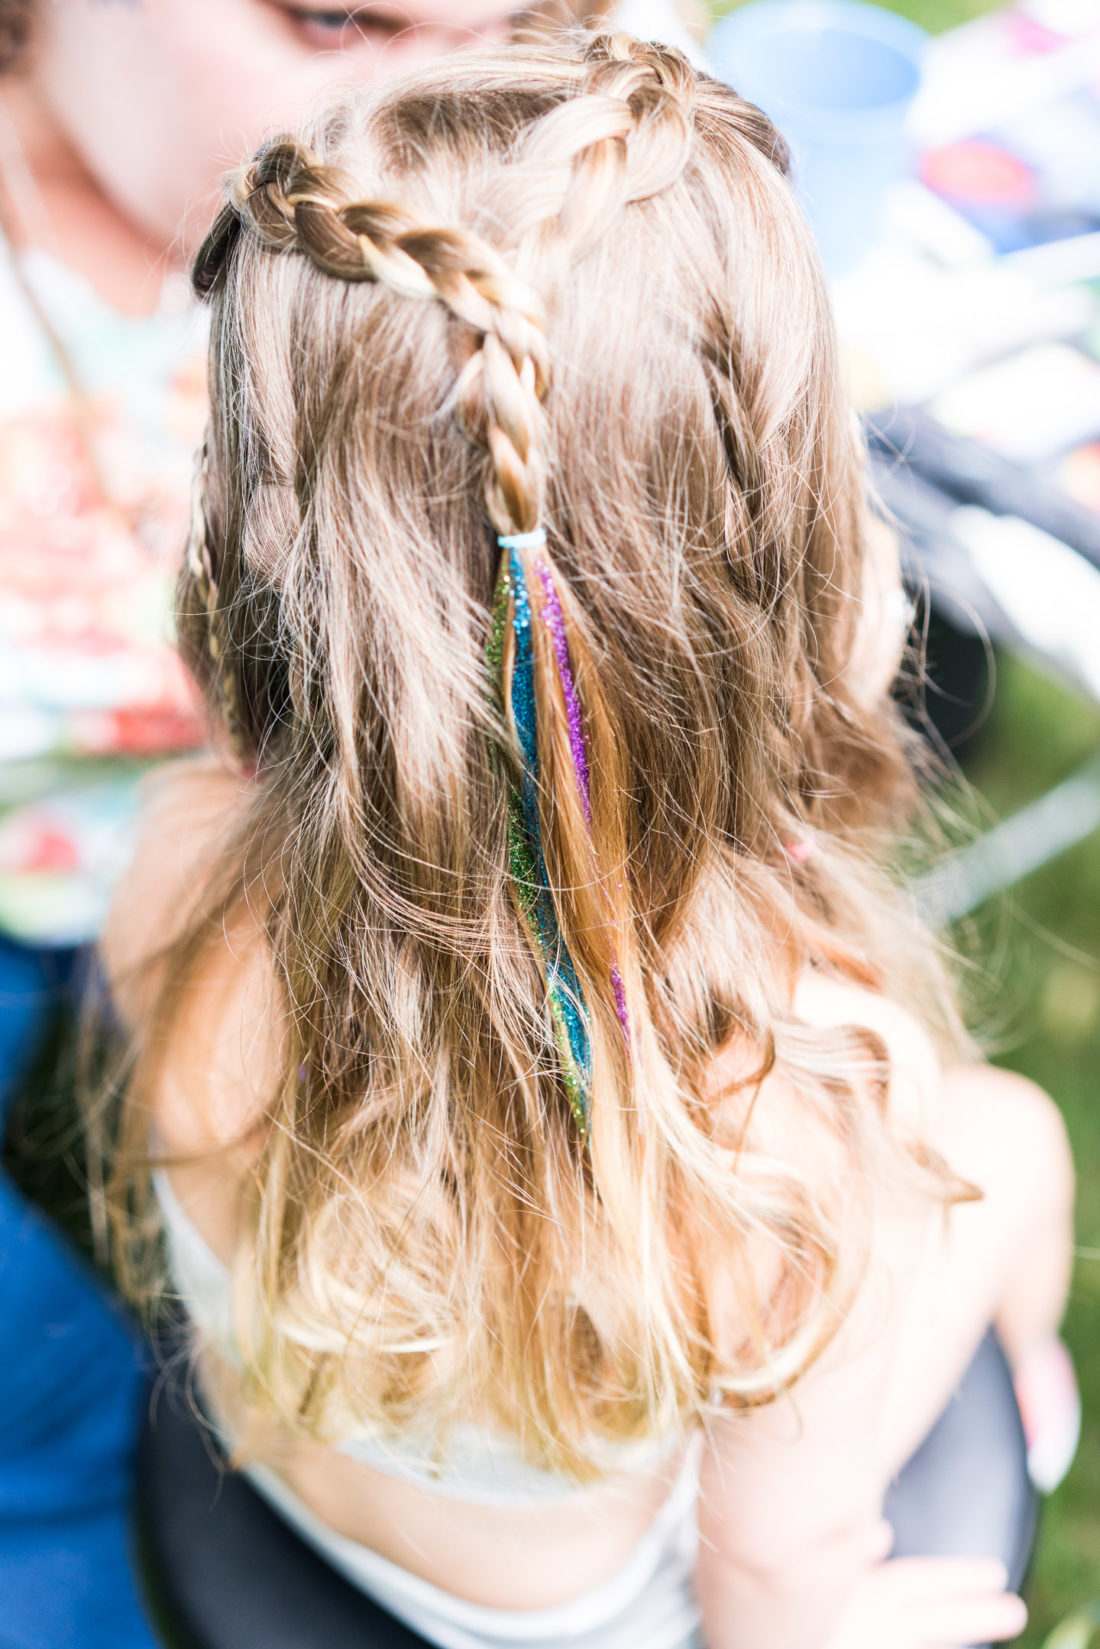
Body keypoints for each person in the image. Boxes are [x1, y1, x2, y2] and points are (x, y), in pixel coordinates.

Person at [99, 31, 1076, 1649]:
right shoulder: (797, 1114)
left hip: (312, 1477)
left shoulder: (172, 867)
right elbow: (767, 1574)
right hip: (576, 1604)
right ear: (805, 588)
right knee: (1018, 1145)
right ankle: (1024, 1404)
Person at [1, 7, 691, 1646]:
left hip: (352, 887)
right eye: (328, 13)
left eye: (509, 24)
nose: (404, 96)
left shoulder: (467, 200)